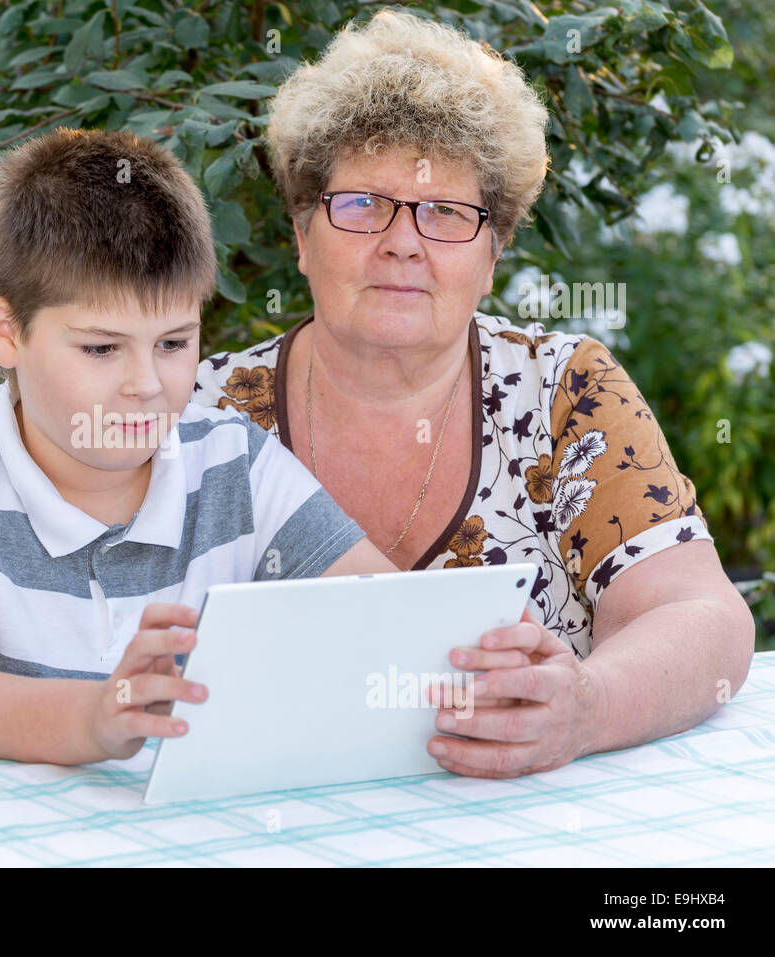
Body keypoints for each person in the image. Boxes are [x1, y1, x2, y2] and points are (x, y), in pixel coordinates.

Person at [194, 9, 753, 777]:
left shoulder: (567, 392)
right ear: (300, 235)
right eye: (361, 205)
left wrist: (586, 706)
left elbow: (706, 619)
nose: (402, 241)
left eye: (446, 213)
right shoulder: (201, 412)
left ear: (492, 256)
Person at [0, 127, 395, 776]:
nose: (146, 383)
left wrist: (483, 671)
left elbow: (396, 625)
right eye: (102, 348)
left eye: (172, 342)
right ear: (7, 332)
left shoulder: (234, 464)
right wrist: (94, 716)